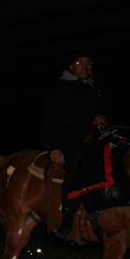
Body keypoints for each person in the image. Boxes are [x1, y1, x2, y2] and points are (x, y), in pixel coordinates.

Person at [40, 55, 110, 241]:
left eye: (88, 62)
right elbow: (50, 120)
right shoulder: (61, 88)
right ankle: (68, 219)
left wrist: (102, 117)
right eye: (80, 63)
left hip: (94, 140)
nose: (85, 66)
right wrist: (54, 147)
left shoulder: (95, 87)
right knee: (76, 168)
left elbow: (104, 108)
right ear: (71, 66)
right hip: (69, 142)